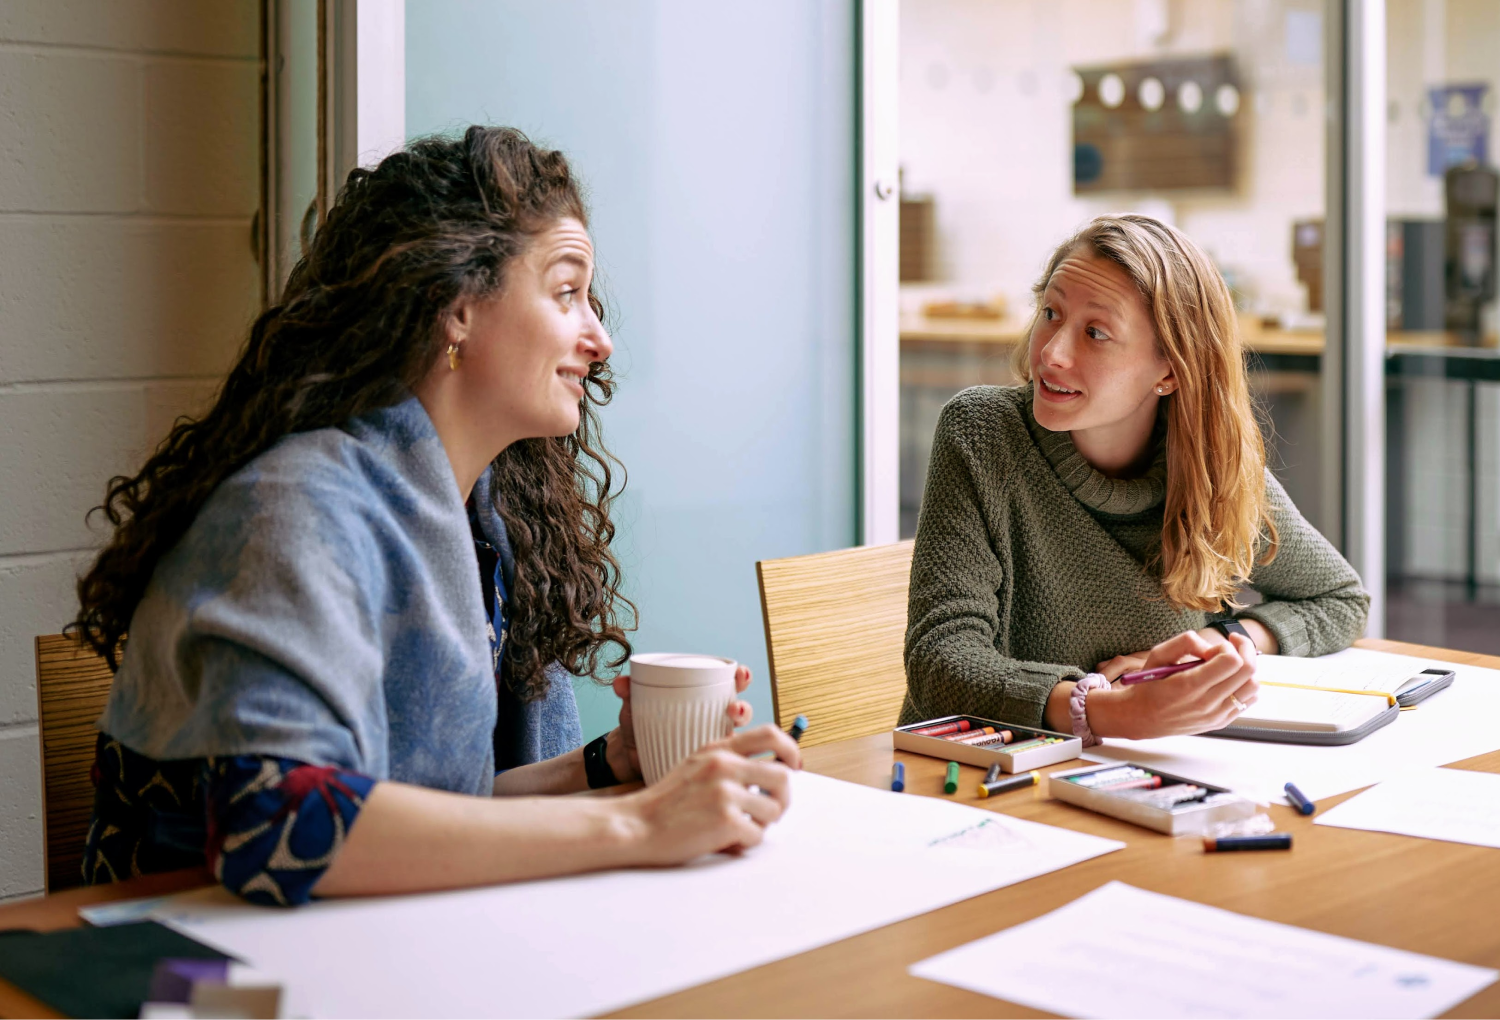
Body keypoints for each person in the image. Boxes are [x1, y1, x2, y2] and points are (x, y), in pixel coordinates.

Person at [73, 127, 800, 906]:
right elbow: (278, 828)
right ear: (456, 308)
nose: (602, 339)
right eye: (566, 292)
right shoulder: (297, 509)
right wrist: (640, 826)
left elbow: (424, 816)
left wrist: (606, 768)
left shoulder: (480, 519)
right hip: (198, 971)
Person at [901, 215, 1369, 746]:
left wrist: (1225, 640)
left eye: (1095, 333)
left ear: (1170, 370)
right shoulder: (983, 432)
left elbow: (1340, 598)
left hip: (1138, 774)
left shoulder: (1212, 463)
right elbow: (940, 660)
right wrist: (1104, 711)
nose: (1052, 352)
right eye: (1050, 313)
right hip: (976, 779)